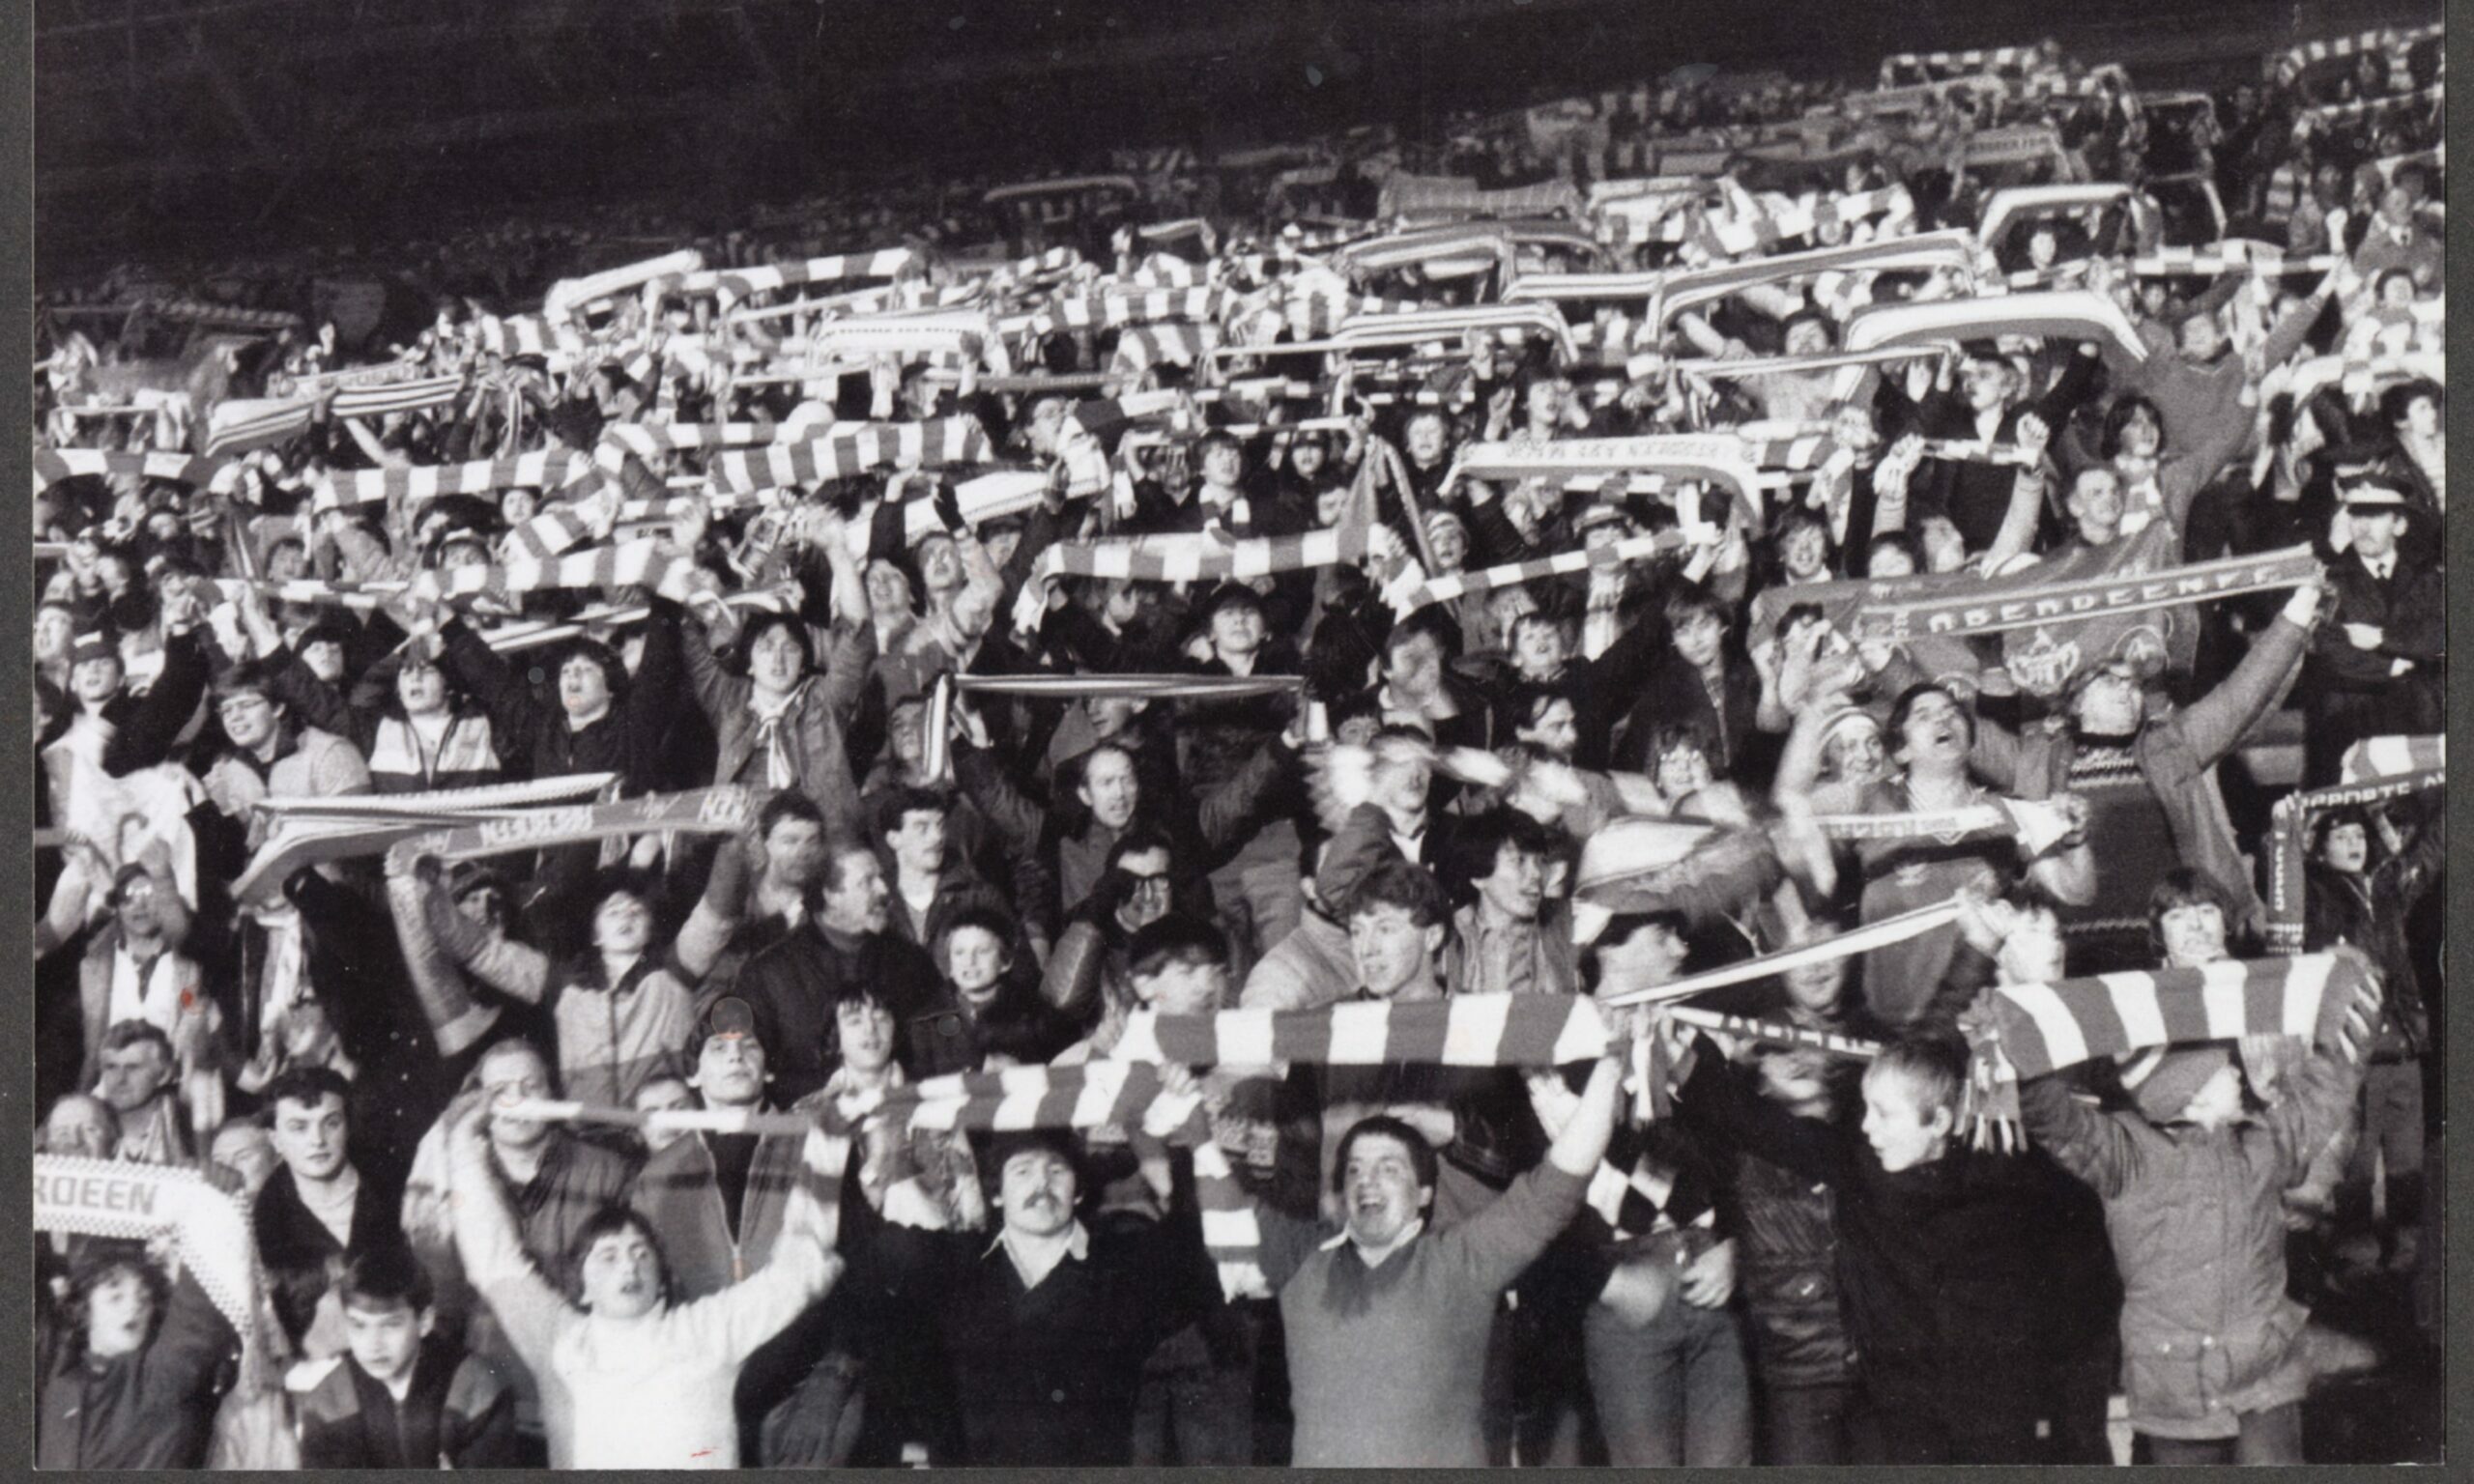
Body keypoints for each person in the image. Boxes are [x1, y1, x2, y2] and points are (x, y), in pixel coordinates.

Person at [2009, 916, 2377, 1464]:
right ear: (2191, 1095)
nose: (2238, 1075)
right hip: (2174, 1383)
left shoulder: (2260, 1143)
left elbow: (2326, 1090)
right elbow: (2049, 1115)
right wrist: (2026, 1018)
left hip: (2264, 1373)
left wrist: (2351, 1006)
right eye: (2224, 1071)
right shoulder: (2124, 1156)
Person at [1666, 1023, 2056, 1463]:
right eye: (1867, 1108)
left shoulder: (2003, 1188)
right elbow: (1759, 1126)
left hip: (1989, 1415)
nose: (1868, 1126)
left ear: (1940, 1122)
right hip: (1901, 1415)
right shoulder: (1863, 1170)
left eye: (1885, 1114)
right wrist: (1685, 1059)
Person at [1240, 1041, 1628, 1466]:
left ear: (1423, 1194)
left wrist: (1611, 1065)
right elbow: (1226, 1204)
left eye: (1389, 1168)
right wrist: (1184, 1114)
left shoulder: (1459, 1263)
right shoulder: (1303, 1259)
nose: (1367, 1180)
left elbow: (1560, 1181)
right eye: (1354, 1169)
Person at [442, 1090, 847, 1469]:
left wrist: (828, 1144)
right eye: (608, 1256)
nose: (628, 1267)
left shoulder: (706, 1330)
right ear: (580, 1285)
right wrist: (462, 1143)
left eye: (640, 1253)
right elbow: (493, 1258)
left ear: (662, 1275)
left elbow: (801, 1267)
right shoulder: (560, 1342)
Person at [733, 838, 945, 1104]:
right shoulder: (767, 974)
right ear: (830, 894)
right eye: (867, 881)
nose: (883, 889)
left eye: (881, 878)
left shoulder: (911, 961)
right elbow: (750, 1065)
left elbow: (946, 1035)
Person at [292, 1245, 522, 1469]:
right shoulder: (327, 1401)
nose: (373, 1344)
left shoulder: (478, 1388)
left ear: (424, 1322)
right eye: (359, 1326)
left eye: (391, 1325)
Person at [37, 1242, 241, 1469]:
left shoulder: (160, 1380)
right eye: (116, 1297)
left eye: (144, 1297)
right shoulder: (57, 1376)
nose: (134, 1306)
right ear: (85, 1307)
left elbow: (197, 1313)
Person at [255, 1065, 403, 1355]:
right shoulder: (264, 1223)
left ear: (348, 1126)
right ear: (275, 1140)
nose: (318, 1140)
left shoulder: (397, 1188)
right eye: (299, 1127)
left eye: (331, 1123)